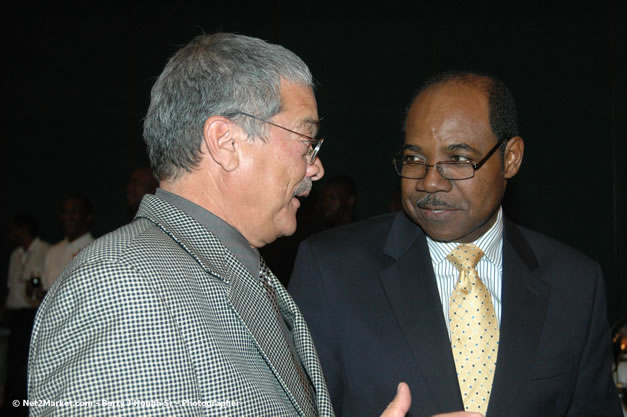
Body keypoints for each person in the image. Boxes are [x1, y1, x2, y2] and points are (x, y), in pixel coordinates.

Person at [27, 33, 444, 417]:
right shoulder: (123, 288)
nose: (316, 168)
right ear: (226, 143)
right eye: (306, 141)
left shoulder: (223, 269)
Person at [289, 71, 622, 416]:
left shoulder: (575, 285)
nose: (430, 181)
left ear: (511, 158)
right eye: (415, 159)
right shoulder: (331, 271)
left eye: (458, 159)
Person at [3, 213, 49, 416]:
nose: (10, 234)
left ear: (23, 229)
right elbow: (12, 290)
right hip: (15, 318)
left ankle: (26, 409)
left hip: (33, 316)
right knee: (12, 367)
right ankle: (10, 409)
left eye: (14, 229)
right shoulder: (14, 255)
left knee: (27, 368)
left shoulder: (45, 251)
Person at [40, 194, 94, 291]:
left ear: (88, 217)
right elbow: (46, 289)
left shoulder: (96, 250)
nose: (67, 217)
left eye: (74, 212)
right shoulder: (53, 251)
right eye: (64, 212)